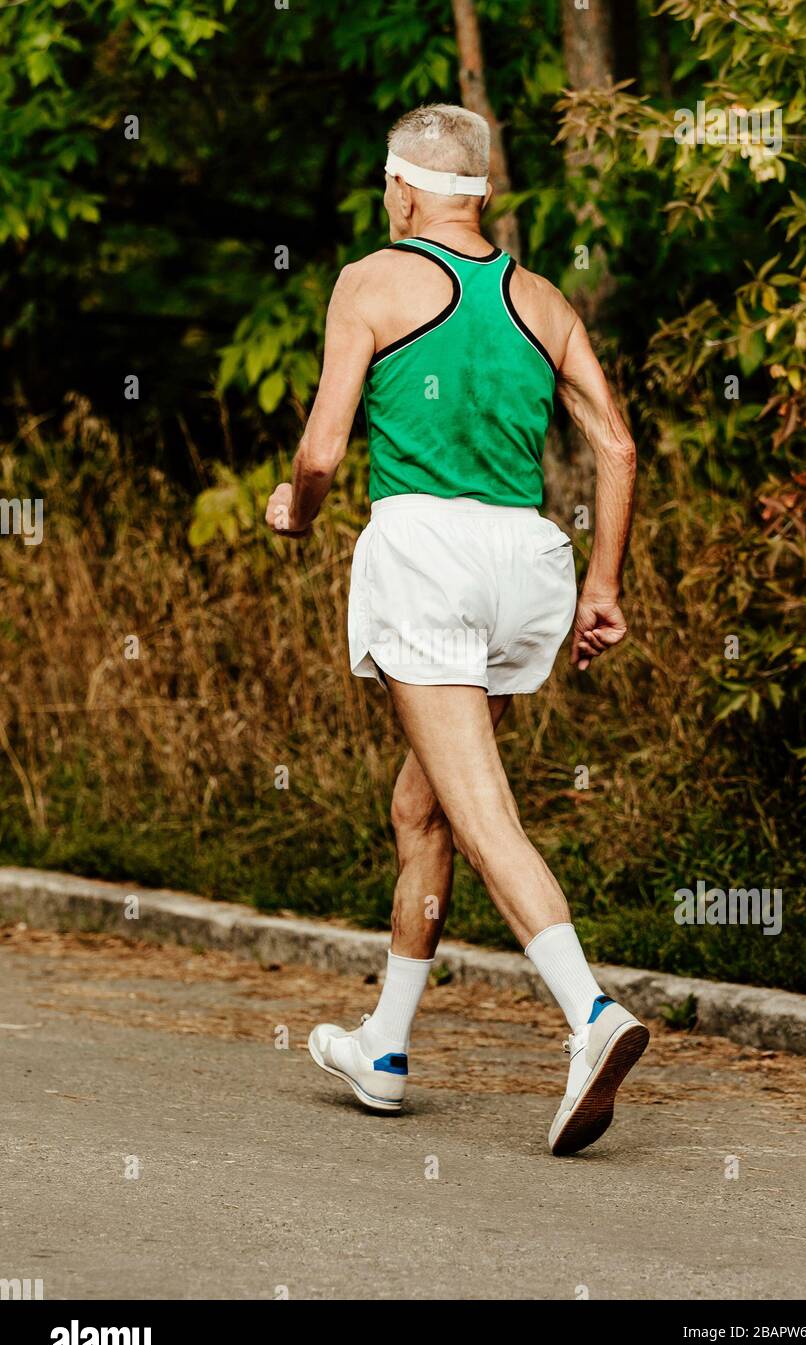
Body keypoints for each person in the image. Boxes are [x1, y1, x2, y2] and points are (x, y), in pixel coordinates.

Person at [266, 104, 648, 1155]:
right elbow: (613, 449)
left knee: (481, 821)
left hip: (426, 560)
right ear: (480, 194)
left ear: (399, 191)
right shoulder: (539, 298)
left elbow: (323, 452)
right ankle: (382, 1048)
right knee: (420, 807)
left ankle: (590, 1015)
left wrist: (292, 510)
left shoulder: (370, 281)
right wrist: (602, 586)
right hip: (526, 567)